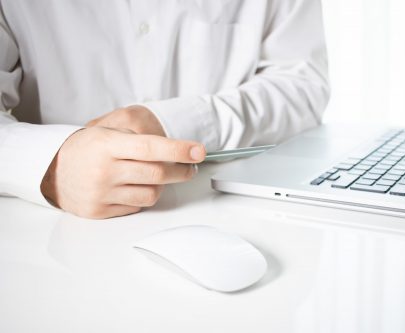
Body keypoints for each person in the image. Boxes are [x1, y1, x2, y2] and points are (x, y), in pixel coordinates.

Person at [0, 0, 330, 219]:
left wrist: (172, 122)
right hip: (48, 224)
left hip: (225, 208)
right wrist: (53, 166)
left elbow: (302, 85)